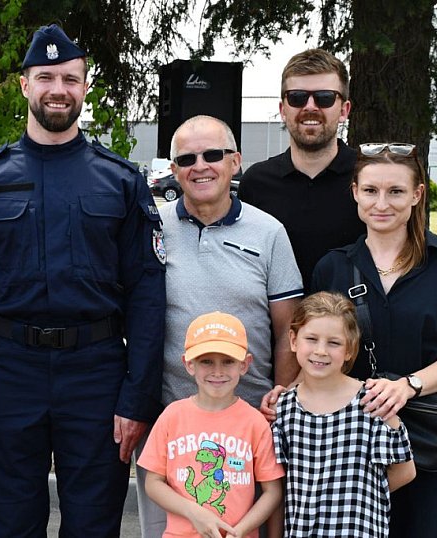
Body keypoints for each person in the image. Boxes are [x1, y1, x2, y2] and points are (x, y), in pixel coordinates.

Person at [0, 24, 166, 537]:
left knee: (94, 521)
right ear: (25, 85)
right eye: (46, 77)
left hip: (96, 372)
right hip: (7, 373)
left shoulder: (121, 180)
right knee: (11, 519)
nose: (58, 89)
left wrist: (136, 398)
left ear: (85, 88)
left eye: (70, 78)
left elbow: (148, 296)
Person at [135, 115, 302, 536]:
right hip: (172, 422)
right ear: (173, 170)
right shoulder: (151, 228)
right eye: (186, 158)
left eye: (213, 154)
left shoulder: (269, 233)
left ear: (236, 162)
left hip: (251, 426)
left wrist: (278, 400)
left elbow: (288, 330)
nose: (200, 165)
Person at [309, 143, 437, 537]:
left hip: (428, 440)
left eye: (396, 191)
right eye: (370, 190)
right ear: (355, 191)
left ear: (418, 194)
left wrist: (409, 386)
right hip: (352, 441)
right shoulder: (333, 267)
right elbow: (315, 349)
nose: (381, 203)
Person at [238, 48, 437, 300]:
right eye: (298, 97)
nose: (310, 107)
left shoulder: (372, 179)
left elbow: (412, 242)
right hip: (278, 331)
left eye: (324, 97)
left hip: (364, 330)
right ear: (283, 108)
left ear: (344, 109)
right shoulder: (256, 183)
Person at [273, 291, 416, 536]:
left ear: (350, 349)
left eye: (334, 342)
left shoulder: (372, 402)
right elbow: (279, 481)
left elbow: (405, 471)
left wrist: (359, 493)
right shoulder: (284, 409)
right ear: (294, 340)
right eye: (312, 339)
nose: (321, 351)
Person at [139, 311, 284, 538]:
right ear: (188, 364)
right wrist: (194, 512)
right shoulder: (172, 416)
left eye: (228, 361)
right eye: (206, 361)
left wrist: (240, 531)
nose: (218, 372)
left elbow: (272, 491)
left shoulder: (254, 422)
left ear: (245, 365)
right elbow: (153, 483)